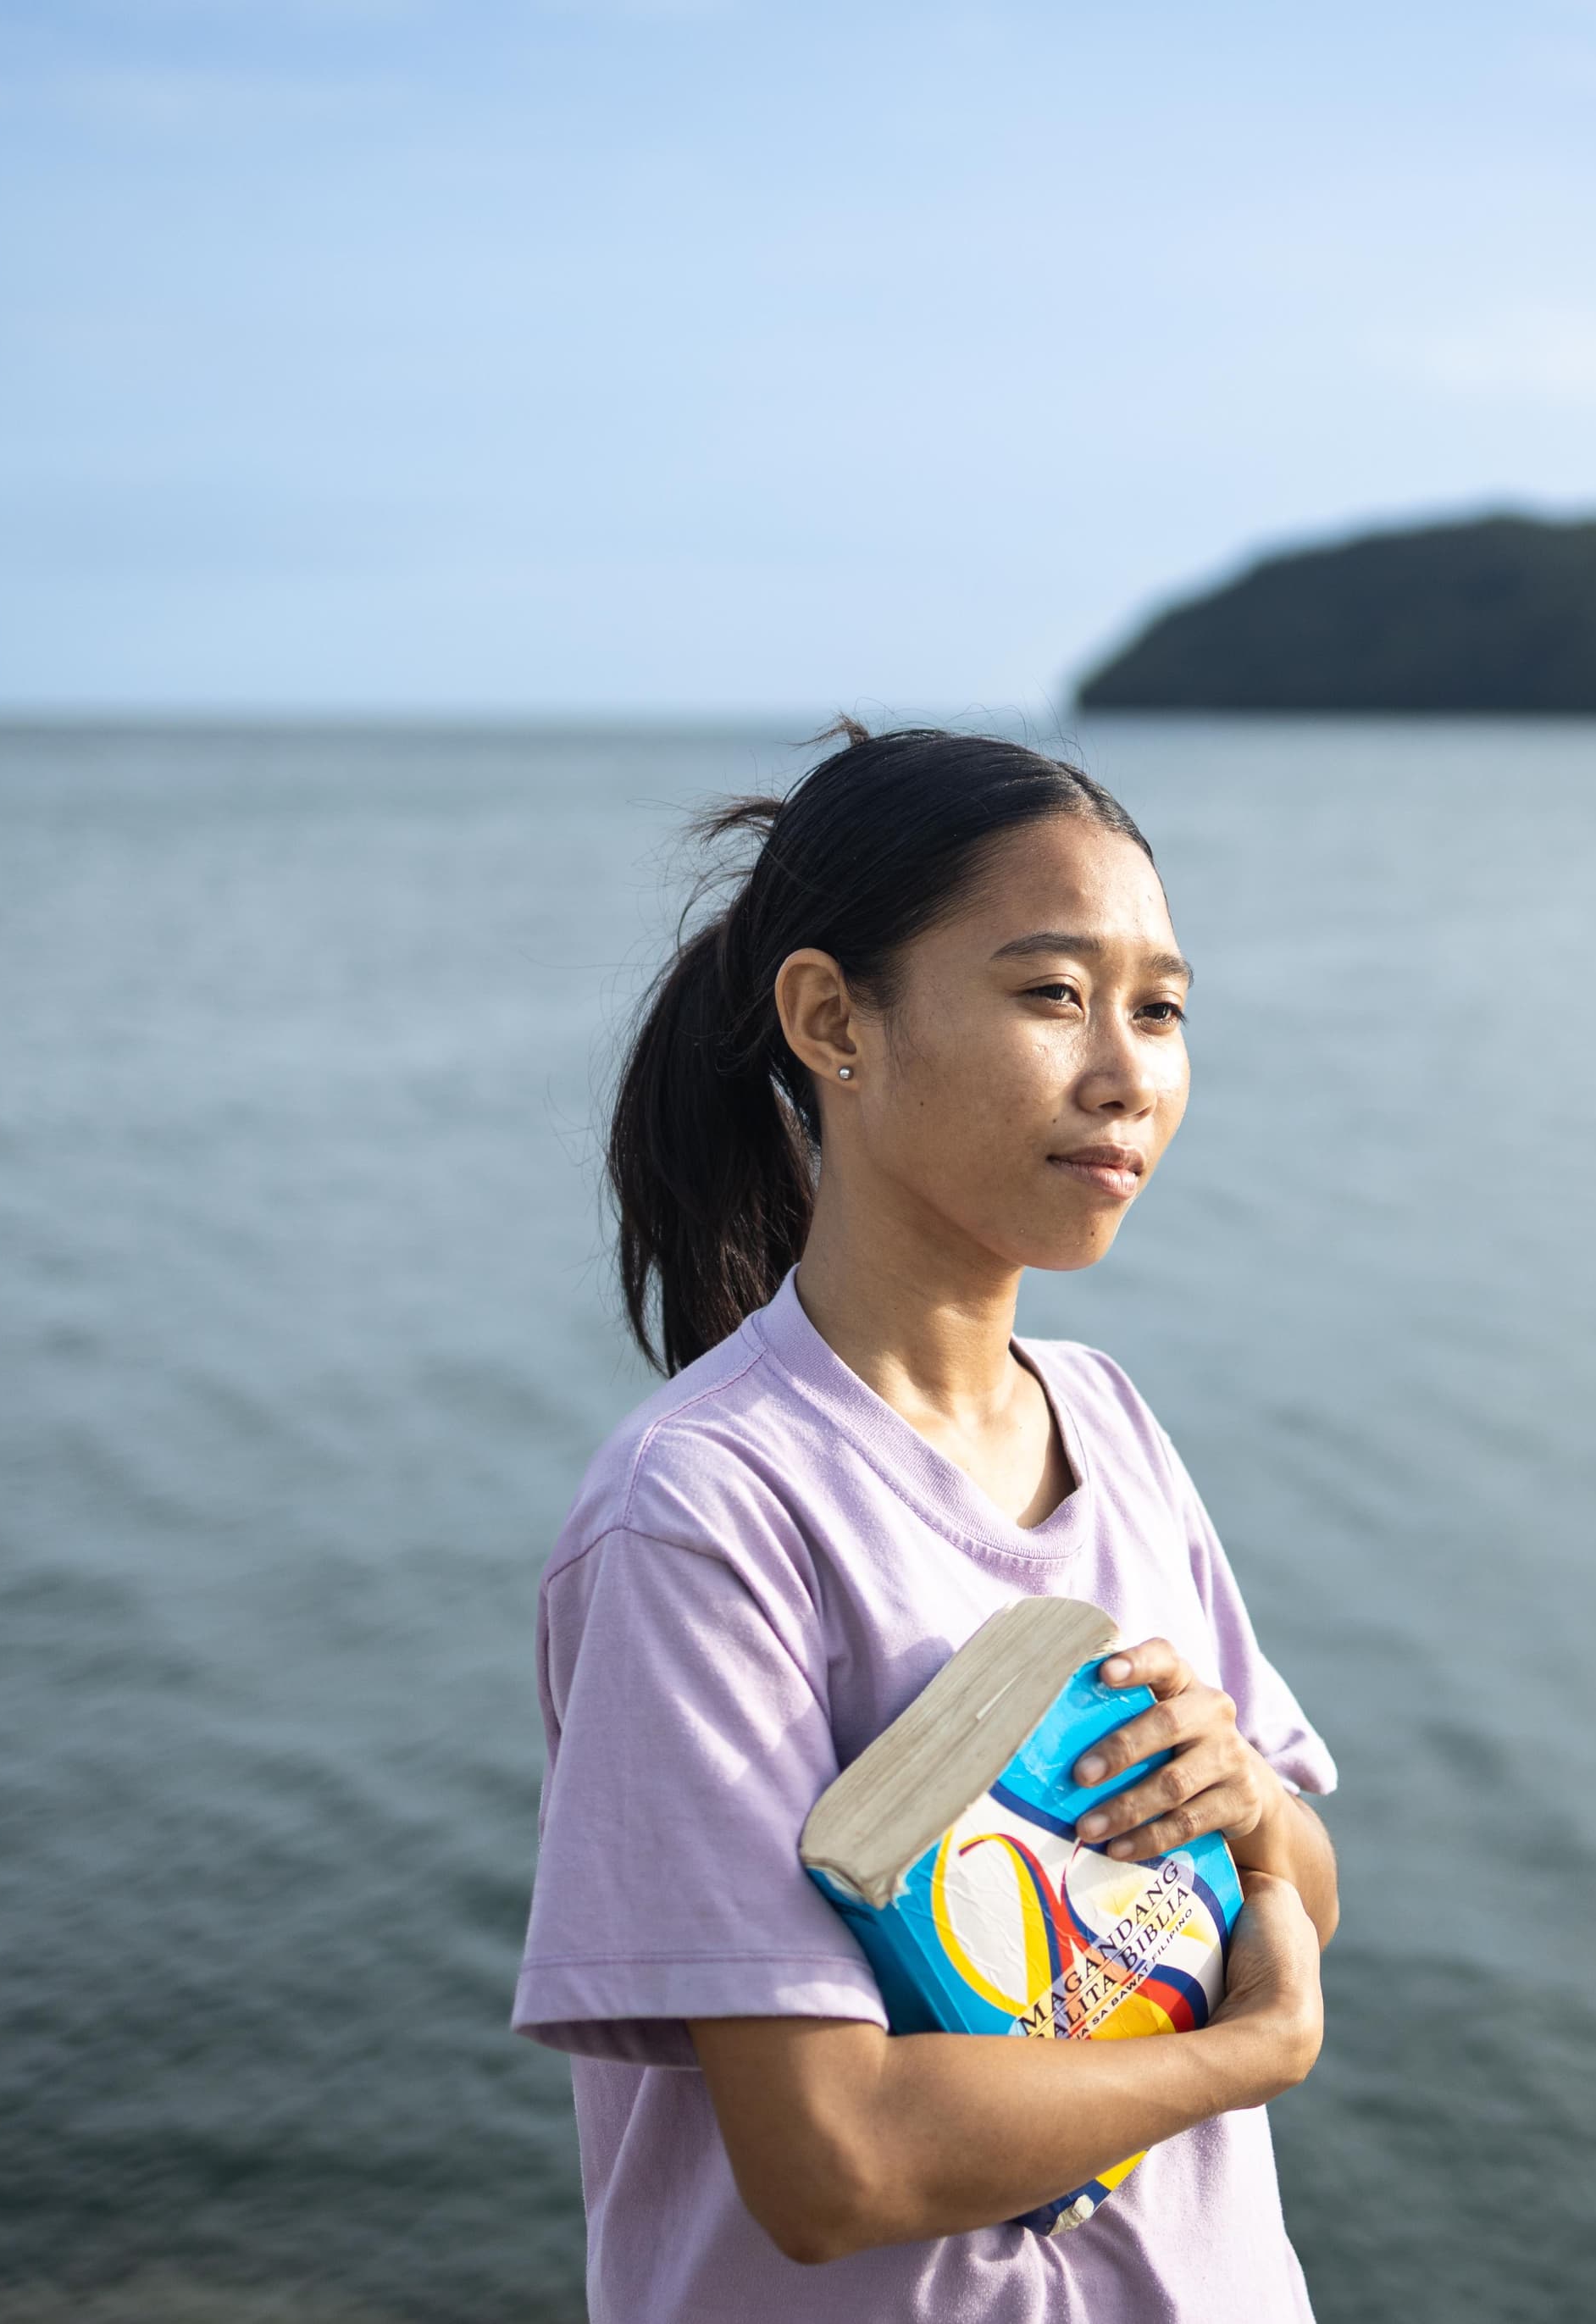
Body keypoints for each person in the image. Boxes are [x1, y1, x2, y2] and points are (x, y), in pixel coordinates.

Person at [512, 724, 1342, 2322]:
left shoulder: (1107, 1420)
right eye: (1052, 995)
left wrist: (1242, 1801)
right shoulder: (705, 1510)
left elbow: (1301, 1884)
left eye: (1159, 1009)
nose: (1126, 1071)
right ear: (832, 1019)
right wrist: (1250, 2056)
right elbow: (834, 2164)